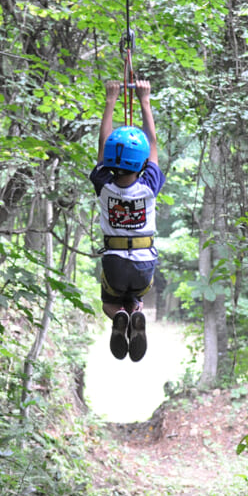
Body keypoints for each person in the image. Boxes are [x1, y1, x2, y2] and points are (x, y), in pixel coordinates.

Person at [89, 79, 165, 362]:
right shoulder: (149, 185)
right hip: (144, 264)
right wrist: (144, 101)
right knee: (136, 295)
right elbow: (154, 142)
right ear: (142, 161)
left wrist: (111, 100)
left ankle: (121, 315)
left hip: (114, 263)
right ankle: (133, 312)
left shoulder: (104, 185)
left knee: (110, 302)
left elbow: (102, 145)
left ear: (109, 160)